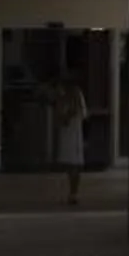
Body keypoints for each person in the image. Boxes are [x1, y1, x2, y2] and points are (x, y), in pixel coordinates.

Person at [52, 74, 89, 205]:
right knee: (74, 164)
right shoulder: (71, 95)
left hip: (71, 133)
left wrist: (65, 116)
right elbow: (82, 114)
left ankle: (73, 192)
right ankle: (73, 192)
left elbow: (61, 114)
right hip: (73, 133)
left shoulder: (70, 96)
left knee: (72, 164)